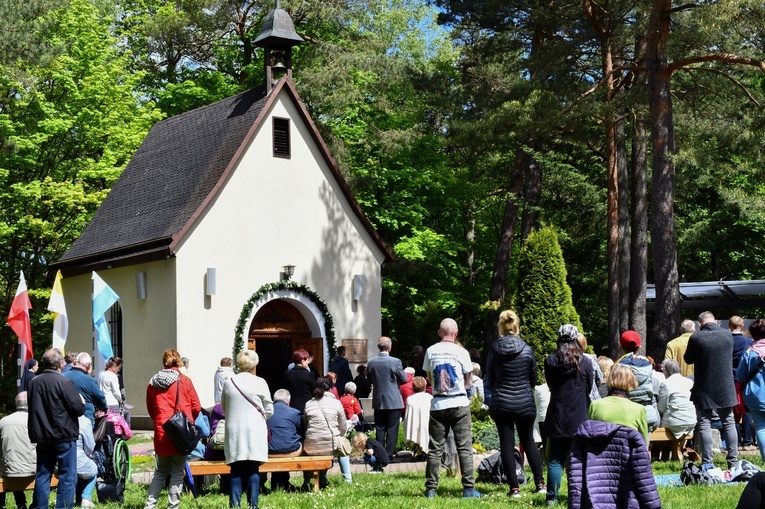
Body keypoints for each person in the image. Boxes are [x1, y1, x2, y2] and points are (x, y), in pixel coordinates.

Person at [485, 309, 545, 498]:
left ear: (501, 328)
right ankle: (540, 483)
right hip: (524, 402)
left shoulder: (494, 349)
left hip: (502, 402)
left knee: (506, 444)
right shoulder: (527, 349)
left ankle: (514, 488)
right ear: (517, 326)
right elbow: (533, 379)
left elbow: (491, 378)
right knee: (528, 442)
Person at [423, 318, 482, 499]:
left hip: (438, 404)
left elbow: (428, 377)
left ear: (440, 333)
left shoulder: (430, 351)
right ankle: (468, 489)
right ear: (455, 333)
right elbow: (469, 381)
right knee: (464, 448)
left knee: (435, 449)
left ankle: (431, 489)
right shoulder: (462, 352)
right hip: (458, 404)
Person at [27, 348, 85, 509]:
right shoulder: (64, 382)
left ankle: (40, 507)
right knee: (67, 476)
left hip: (42, 436)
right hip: (64, 435)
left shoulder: (33, 383)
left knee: (43, 475)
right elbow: (78, 409)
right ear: (60, 364)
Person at [144, 349, 201, 509]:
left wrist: (160, 420)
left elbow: (151, 409)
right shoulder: (184, 381)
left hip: (162, 431)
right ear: (178, 362)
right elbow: (196, 406)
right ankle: (173, 506)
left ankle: (150, 505)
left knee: (161, 471)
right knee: (177, 470)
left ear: (164, 362)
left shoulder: (152, 383)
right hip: (180, 433)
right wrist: (189, 421)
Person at [544, 324, 593, 506]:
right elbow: (588, 388)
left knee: (555, 459)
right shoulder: (585, 362)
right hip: (579, 416)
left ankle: (552, 498)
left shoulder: (550, 361)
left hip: (557, 414)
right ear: (575, 339)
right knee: (579, 460)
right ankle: (579, 495)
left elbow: (550, 385)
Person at [685, 310, 738, 470]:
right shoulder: (727, 335)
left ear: (699, 324)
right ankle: (733, 462)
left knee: (704, 424)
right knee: (729, 423)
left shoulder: (697, 337)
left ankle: (708, 462)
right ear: (715, 321)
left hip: (704, 386)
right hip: (725, 386)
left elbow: (688, 359)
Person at [568, 420, 661, 509]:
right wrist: (653, 505)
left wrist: (574, 505)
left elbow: (575, 479)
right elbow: (643, 476)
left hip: (590, 503)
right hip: (627, 501)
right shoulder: (632, 437)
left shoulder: (580, 439)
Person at [222, 349, 273, 508]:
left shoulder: (229, 382)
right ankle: (253, 504)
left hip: (234, 429)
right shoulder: (260, 382)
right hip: (254, 429)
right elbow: (270, 410)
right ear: (254, 364)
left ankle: (235, 505)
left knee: (236, 468)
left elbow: (224, 408)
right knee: (252, 467)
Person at [303, 376, 351, 486]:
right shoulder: (336, 403)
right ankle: (348, 480)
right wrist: (338, 435)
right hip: (331, 444)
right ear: (330, 389)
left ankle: (320, 480)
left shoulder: (309, 404)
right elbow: (343, 426)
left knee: (321, 447)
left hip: (311, 445)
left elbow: (306, 424)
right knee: (343, 446)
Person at [366, 336, 408, 457]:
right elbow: (404, 379)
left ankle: (379, 453)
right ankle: (389, 454)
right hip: (394, 400)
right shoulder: (395, 362)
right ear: (389, 347)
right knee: (392, 429)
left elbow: (369, 380)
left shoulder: (371, 362)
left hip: (379, 400)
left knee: (380, 428)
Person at [588, 363, 649, 443]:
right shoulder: (639, 410)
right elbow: (643, 443)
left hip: (600, 454)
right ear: (631, 382)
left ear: (610, 379)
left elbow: (588, 436)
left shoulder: (595, 405)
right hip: (627, 454)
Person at [616, 331, 659, 430]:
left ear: (621, 346)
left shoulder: (618, 367)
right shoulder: (648, 365)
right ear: (639, 346)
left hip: (625, 415)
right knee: (643, 445)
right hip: (646, 414)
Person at [0, 392, 35, 509]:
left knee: (12, 460)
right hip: (32, 470)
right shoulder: (36, 421)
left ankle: (14, 504)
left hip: (8, 470)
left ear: (16, 404)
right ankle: (34, 504)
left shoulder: (3, 421)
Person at [737, 318, 765, 461]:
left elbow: (740, 375)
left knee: (760, 427)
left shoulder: (749, 352)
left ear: (753, 335)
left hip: (755, 396)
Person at [267, 389, 303, 491]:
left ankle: (277, 483)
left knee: (277, 443)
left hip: (268, 451)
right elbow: (301, 431)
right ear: (288, 401)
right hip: (290, 451)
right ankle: (285, 483)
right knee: (302, 444)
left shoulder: (266, 413)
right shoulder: (295, 413)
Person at [731, 316, 756, 451]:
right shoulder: (749, 342)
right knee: (746, 411)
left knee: (733, 413)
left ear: (729, 326)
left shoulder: (726, 341)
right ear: (742, 326)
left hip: (729, 380)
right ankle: (747, 442)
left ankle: (734, 442)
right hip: (744, 380)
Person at [64, 352, 108, 428]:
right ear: (88, 365)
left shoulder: (63, 376)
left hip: (66, 418)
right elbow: (100, 399)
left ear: (75, 362)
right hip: (85, 418)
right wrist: (103, 407)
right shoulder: (89, 380)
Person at [657, 359, 696, 438]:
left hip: (675, 421)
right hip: (691, 419)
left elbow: (661, 408)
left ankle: (663, 450)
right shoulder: (689, 381)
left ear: (666, 371)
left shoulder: (666, 383)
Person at [75, 407, 98, 509]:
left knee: (82, 467)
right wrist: (88, 453)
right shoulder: (84, 421)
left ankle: (79, 499)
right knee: (92, 468)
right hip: (76, 457)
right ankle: (85, 499)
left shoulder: (59, 417)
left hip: (57, 460)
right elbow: (90, 446)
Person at [404, 376, 432, 455]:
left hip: (414, 425)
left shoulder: (410, 399)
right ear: (425, 387)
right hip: (426, 424)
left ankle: (418, 451)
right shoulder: (429, 398)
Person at [283, 349, 316, 414]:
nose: (308, 362)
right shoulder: (309, 374)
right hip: (306, 407)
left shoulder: (287, 374)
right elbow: (314, 391)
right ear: (302, 361)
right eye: (307, 360)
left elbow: (285, 390)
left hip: (291, 407)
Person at [577, 334, 603, 402]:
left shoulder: (567, 359)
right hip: (593, 397)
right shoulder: (591, 358)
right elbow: (599, 378)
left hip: (577, 399)